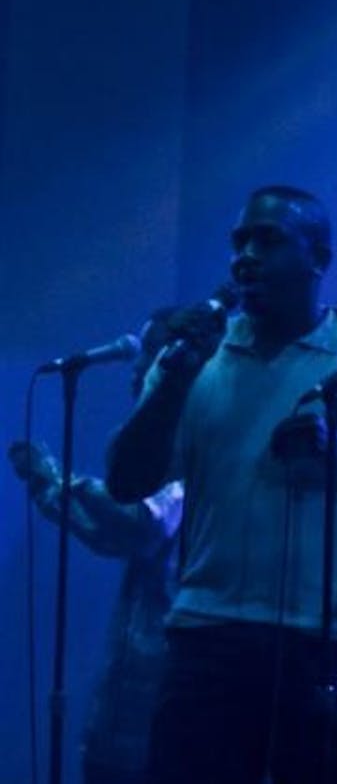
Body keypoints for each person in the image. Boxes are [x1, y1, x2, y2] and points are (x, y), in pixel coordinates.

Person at [105, 185, 337, 784]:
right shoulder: (195, 360)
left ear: (319, 259)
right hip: (210, 639)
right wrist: (173, 381)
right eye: (239, 243)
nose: (246, 257)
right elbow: (126, 482)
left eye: (268, 240)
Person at [7, 308, 182, 784]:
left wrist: (59, 480)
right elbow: (117, 535)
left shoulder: (197, 443)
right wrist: (47, 486)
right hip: (131, 683)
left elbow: (143, 524)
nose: (136, 365)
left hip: (172, 681)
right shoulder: (153, 449)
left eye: (149, 351)